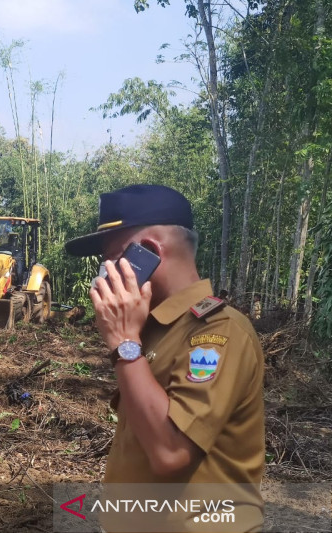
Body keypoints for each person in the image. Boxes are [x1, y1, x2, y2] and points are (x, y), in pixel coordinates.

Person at [65, 184, 265, 531]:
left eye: (111, 261)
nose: (103, 276)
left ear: (149, 253)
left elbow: (171, 454)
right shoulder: (154, 328)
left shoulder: (219, 333)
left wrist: (124, 343)